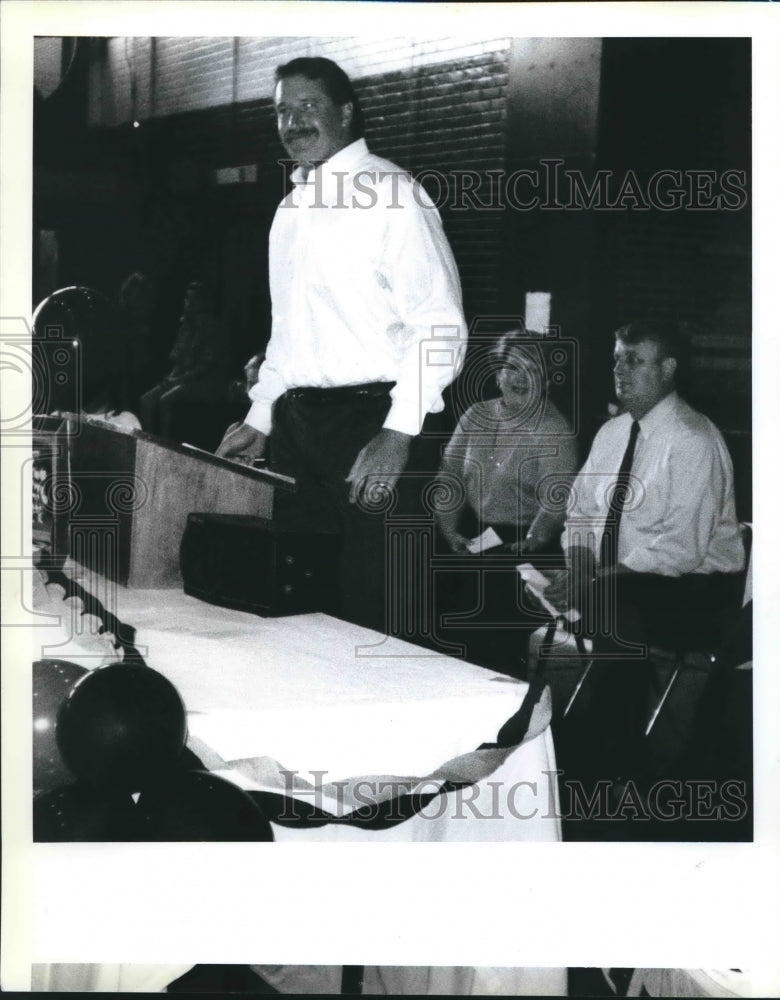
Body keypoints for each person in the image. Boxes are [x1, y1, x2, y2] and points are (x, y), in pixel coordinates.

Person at [216, 57, 466, 632]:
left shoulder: (393, 193)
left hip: (373, 424)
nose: (293, 121)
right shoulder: (290, 209)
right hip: (299, 431)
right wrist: (260, 414)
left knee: (380, 617)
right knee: (300, 606)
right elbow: (289, 331)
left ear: (347, 111)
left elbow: (441, 324)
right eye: (282, 110)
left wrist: (399, 433)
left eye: (308, 106)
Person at [535, 319, 745, 780]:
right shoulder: (612, 433)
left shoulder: (693, 439)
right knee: (529, 584)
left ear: (667, 369)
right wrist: (581, 563)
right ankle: (539, 743)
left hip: (697, 589)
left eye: (634, 360)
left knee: (620, 610)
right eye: (617, 359)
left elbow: (680, 549)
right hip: (619, 577)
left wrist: (597, 579)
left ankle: (600, 757)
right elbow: (582, 513)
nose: (620, 370)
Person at [434, 330, 578, 672]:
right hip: (469, 535)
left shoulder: (555, 429)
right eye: (512, 367)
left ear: (546, 379)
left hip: (526, 544)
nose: (519, 377)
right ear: (498, 373)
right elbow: (449, 477)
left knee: (489, 625)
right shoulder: (474, 414)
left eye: (532, 369)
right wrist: (449, 530)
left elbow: (556, 504)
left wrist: (531, 541)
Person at [140, 281, 226, 439]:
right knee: (146, 400)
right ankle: (149, 440)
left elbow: (205, 367)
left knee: (165, 400)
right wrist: (171, 378)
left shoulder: (212, 327)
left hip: (205, 381)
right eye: (187, 298)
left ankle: (166, 443)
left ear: (204, 302)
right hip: (183, 378)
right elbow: (179, 359)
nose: (189, 303)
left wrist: (177, 380)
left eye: (194, 299)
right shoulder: (186, 325)